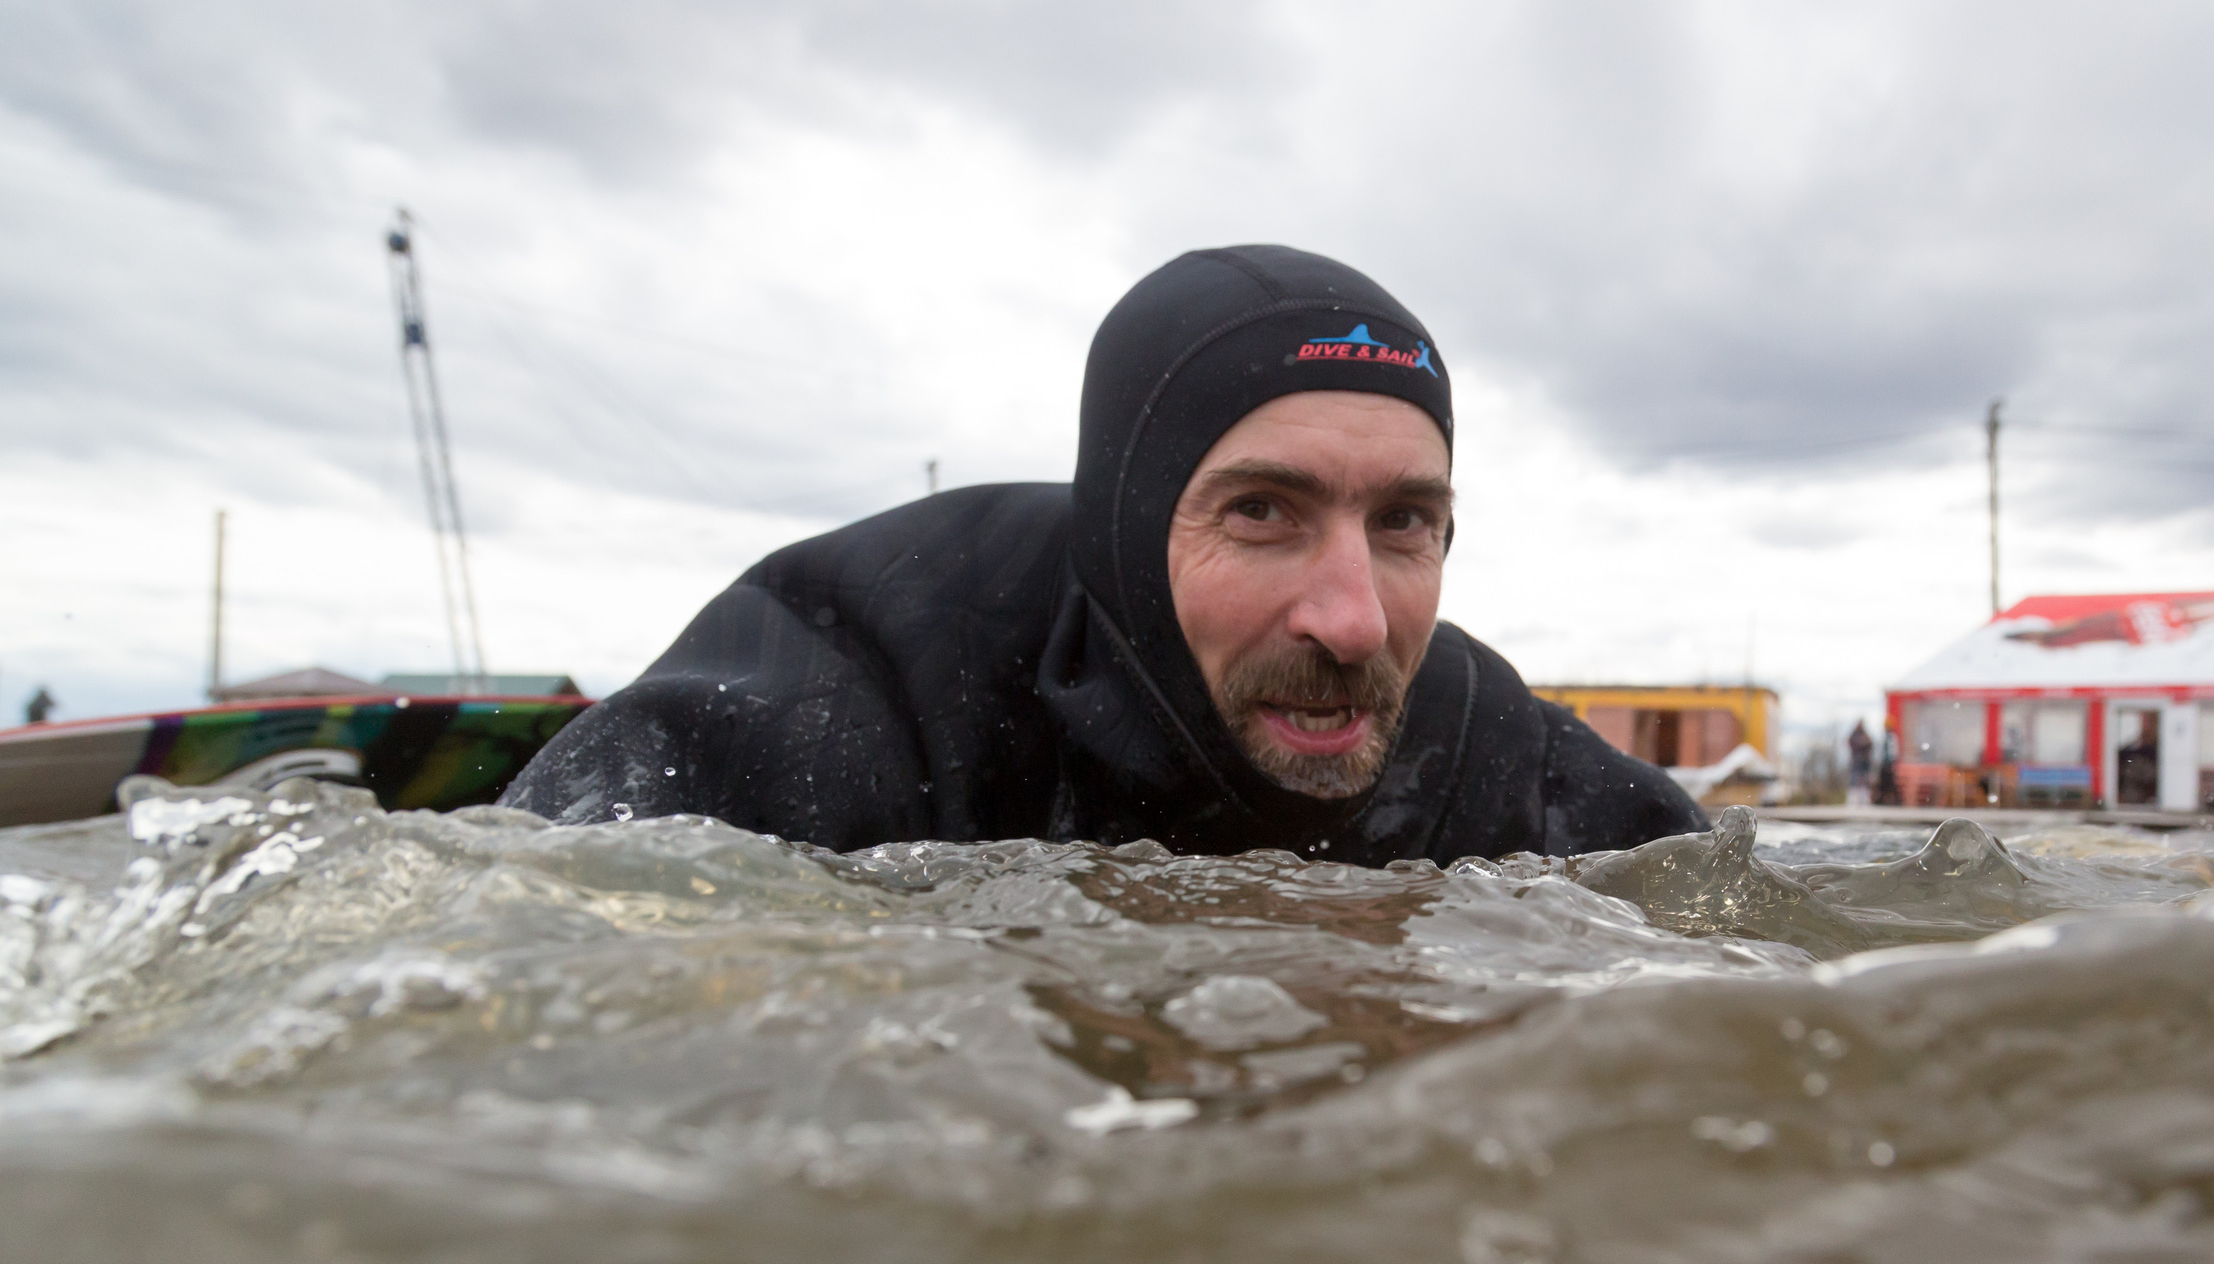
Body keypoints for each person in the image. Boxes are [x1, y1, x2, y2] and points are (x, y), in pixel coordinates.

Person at [503, 245, 1705, 864]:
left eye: (1403, 524)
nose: (1353, 622)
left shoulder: (1482, 749)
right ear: (1128, 526)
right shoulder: (858, 673)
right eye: (1263, 513)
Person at [1844, 718, 1873, 807]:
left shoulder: (1865, 734)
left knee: (1865, 781)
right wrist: (1861, 743)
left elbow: (1869, 743)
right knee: (1854, 780)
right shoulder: (1854, 735)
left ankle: (1864, 800)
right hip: (1856, 762)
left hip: (1864, 762)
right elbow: (1851, 743)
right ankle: (1852, 800)